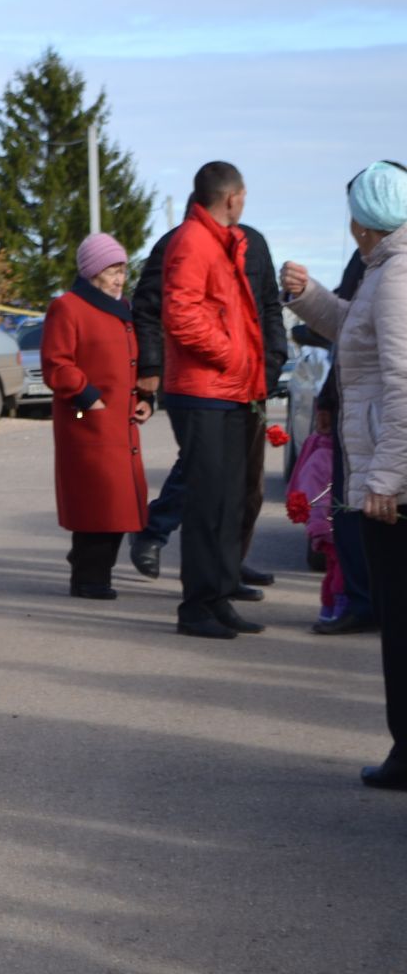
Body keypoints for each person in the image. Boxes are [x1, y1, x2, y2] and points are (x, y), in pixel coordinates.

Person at [283, 160, 407, 789]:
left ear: (362, 221)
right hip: (390, 474)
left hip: (397, 485)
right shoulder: (388, 271)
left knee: (401, 623)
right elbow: (354, 338)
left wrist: (386, 478)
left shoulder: (395, 279)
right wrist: (308, 297)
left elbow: (404, 385)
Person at [129, 207, 286, 596]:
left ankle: (229, 566)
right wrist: (149, 367)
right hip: (200, 383)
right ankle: (155, 532)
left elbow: (268, 308)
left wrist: (272, 363)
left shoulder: (254, 244)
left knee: (245, 484)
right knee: (202, 472)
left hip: (250, 383)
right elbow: (147, 308)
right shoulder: (177, 243)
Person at [159, 161, 265, 640]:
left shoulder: (225, 242)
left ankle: (220, 596)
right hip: (203, 390)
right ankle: (196, 606)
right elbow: (180, 314)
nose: (245, 201)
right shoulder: (192, 240)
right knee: (206, 504)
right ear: (232, 197)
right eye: (244, 194)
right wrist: (231, 356)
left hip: (230, 390)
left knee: (228, 500)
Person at [39, 234, 153, 599]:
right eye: (111, 271)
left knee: (119, 502)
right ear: (91, 272)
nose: (119, 279)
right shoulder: (68, 308)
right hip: (87, 420)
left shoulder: (123, 310)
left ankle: (91, 569)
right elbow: (56, 363)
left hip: (121, 423)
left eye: (122, 270)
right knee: (98, 503)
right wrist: (89, 397)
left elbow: (130, 362)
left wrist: (146, 397)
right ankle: (89, 577)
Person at [311, 249, 380, 634]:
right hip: (357, 401)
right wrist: (327, 396)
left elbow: (348, 330)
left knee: (353, 505)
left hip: (373, 407)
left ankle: (364, 601)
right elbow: (347, 340)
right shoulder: (369, 255)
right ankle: (367, 600)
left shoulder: (379, 257)